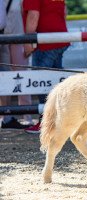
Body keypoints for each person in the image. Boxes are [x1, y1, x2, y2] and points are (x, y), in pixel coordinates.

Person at [22, 0, 70, 133]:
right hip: (60, 38)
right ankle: (58, 121)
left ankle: (46, 123)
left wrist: (27, 43)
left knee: (41, 82)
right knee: (55, 83)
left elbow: (33, 16)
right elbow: (64, 13)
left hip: (45, 42)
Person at [0, 0, 30, 129]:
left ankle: (26, 114)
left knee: (21, 74)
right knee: (6, 76)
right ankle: (7, 115)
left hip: (16, 37)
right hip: (9, 37)